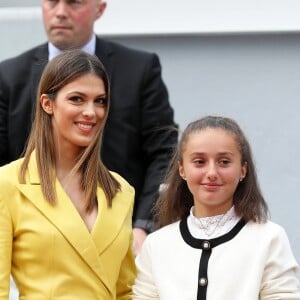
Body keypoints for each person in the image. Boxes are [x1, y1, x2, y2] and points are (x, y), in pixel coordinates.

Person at [0, 0, 178, 255]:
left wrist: (142, 228)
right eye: (52, 2)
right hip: (33, 246)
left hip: (120, 239)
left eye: (74, 3)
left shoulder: (139, 69)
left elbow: (164, 152)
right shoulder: (9, 75)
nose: (60, 12)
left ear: (100, 9)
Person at [0, 50, 136, 299]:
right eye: (77, 99)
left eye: (100, 101)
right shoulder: (7, 184)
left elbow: (125, 290)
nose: (91, 112)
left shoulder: (121, 191)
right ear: (47, 103)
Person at [132, 115, 300, 300]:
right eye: (199, 162)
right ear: (182, 170)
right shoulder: (156, 245)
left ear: (243, 170)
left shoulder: (269, 238)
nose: (211, 173)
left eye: (224, 162)